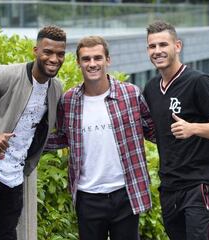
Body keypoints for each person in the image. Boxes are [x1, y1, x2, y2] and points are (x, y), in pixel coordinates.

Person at [0, 25, 66, 240]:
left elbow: (44, 129)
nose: (54, 58)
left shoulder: (57, 88)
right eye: (48, 52)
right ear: (36, 51)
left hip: (15, 172)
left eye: (60, 54)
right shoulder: (7, 74)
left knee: (7, 234)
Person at [47, 36, 155, 240]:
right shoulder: (69, 101)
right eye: (86, 59)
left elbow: (153, 132)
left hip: (125, 193)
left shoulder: (130, 94)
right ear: (78, 63)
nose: (92, 64)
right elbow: (61, 137)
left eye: (98, 58)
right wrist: (22, 142)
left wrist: (192, 131)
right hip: (87, 197)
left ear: (108, 60)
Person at [143, 21, 209, 240]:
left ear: (177, 46)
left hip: (200, 185)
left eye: (163, 44)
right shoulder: (152, 88)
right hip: (169, 187)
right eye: (152, 46)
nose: (158, 51)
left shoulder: (198, 82)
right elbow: (155, 131)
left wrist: (192, 128)